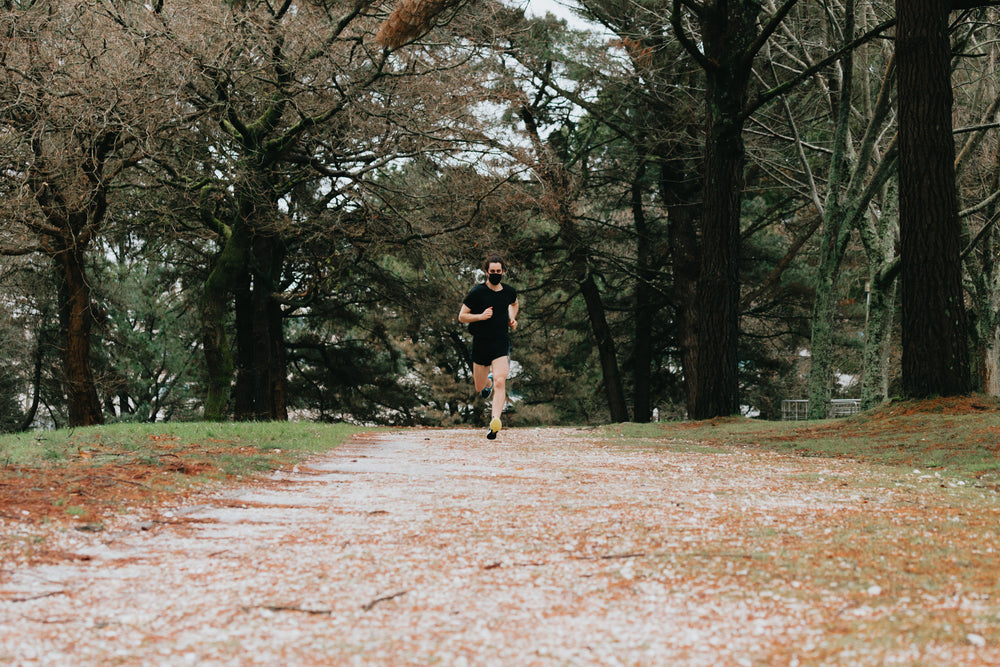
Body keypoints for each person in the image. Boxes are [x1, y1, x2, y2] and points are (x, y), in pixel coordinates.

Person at [458, 254, 519, 439]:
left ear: (503, 272)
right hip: (481, 343)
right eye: (492, 271)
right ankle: (488, 382)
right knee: (479, 387)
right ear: (486, 272)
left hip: (500, 342)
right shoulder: (477, 292)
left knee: (502, 381)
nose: (495, 274)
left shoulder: (509, 291)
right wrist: (480, 316)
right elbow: (462, 316)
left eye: (498, 271)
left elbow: (514, 304)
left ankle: (495, 422)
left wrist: (512, 318)